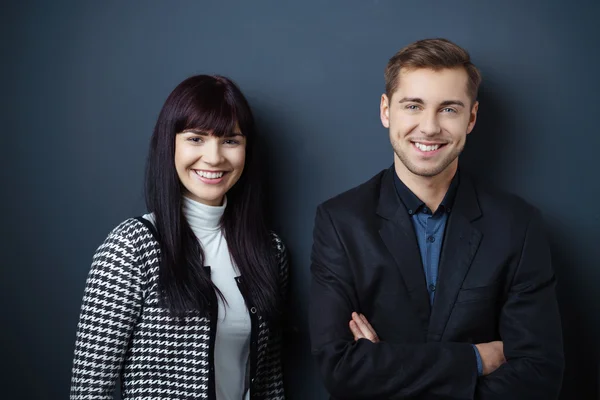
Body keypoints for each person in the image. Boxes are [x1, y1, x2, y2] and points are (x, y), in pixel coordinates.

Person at [309, 38, 564, 399]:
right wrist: (475, 358)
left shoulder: (518, 226)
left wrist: (383, 363)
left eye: (448, 109)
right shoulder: (340, 222)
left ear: (471, 118)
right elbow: (340, 369)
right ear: (386, 111)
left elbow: (539, 373)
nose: (429, 127)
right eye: (413, 106)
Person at [70, 75, 288, 400]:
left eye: (230, 140)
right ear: (169, 143)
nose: (214, 157)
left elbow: (270, 383)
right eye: (196, 138)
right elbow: (89, 390)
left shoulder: (270, 251)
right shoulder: (133, 246)